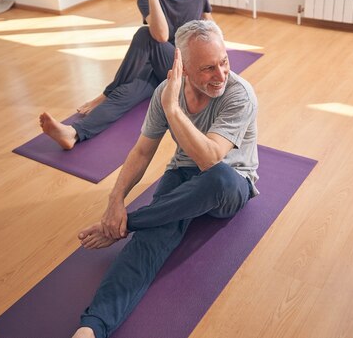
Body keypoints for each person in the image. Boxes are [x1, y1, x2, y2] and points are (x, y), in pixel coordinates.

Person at [71, 20, 259, 338]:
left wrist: (173, 109)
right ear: (183, 67)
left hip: (231, 182)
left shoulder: (239, 94)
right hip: (183, 175)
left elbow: (211, 158)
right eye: (209, 68)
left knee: (219, 179)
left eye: (224, 62)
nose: (221, 75)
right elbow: (142, 152)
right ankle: (93, 327)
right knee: (149, 242)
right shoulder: (165, 92)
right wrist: (114, 200)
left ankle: (129, 224)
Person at [40, 0, 213, 150]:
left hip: (186, 71)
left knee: (144, 35)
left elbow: (204, 29)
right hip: (163, 72)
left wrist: (217, 63)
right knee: (127, 93)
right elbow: (161, 33)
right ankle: (74, 133)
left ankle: (105, 94)